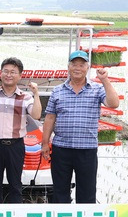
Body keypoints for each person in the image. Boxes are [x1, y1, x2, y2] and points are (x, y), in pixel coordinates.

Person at [41, 50, 119, 203]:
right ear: (68, 67)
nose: (77, 68)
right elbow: (50, 118)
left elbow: (114, 103)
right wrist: (45, 143)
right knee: (60, 190)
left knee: (87, 191)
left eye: (81, 64)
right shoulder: (58, 91)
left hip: (87, 149)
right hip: (61, 148)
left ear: (87, 67)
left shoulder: (97, 89)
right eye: (74, 64)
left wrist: (105, 80)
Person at [0, 57, 42, 203]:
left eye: (13, 72)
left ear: (20, 76)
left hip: (15, 146)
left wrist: (36, 94)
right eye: (6, 71)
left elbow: (36, 114)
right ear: (0, 73)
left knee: (15, 185)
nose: (9, 75)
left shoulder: (26, 97)